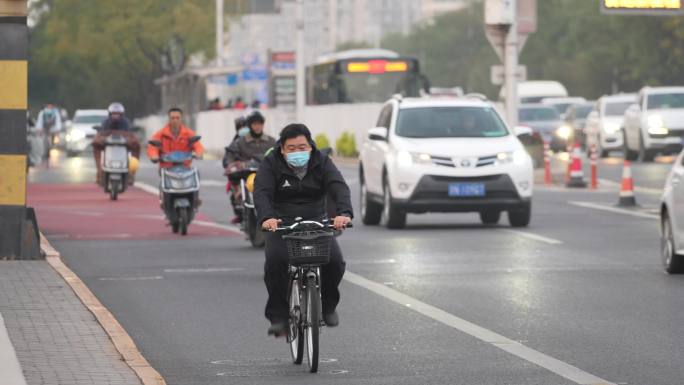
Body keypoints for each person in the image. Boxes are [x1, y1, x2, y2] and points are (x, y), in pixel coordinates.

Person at [254, 123, 353, 337]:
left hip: (316, 220)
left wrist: (344, 213)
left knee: (335, 262)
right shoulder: (270, 164)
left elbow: (338, 186)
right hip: (281, 223)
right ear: (281, 148)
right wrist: (267, 217)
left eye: (302, 147)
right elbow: (261, 193)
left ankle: (327, 307)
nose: (297, 152)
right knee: (275, 262)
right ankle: (279, 316)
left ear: (310, 146)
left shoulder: (322, 161)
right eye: (291, 148)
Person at [223, 111, 276, 224]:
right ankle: (239, 208)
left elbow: (279, 155)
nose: (257, 127)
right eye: (254, 124)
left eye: (260, 124)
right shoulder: (239, 142)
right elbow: (230, 156)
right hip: (246, 174)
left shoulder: (272, 141)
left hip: (267, 174)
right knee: (235, 188)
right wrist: (233, 164)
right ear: (250, 125)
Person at [91, 102, 141, 186]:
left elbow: (131, 135)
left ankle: (131, 173)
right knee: (95, 144)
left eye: (118, 114)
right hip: (107, 146)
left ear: (122, 114)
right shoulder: (105, 122)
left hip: (124, 146)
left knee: (137, 145)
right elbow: (100, 135)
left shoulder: (126, 122)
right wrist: (100, 140)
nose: (115, 116)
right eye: (114, 114)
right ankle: (99, 172)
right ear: (110, 114)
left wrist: (131, 141)